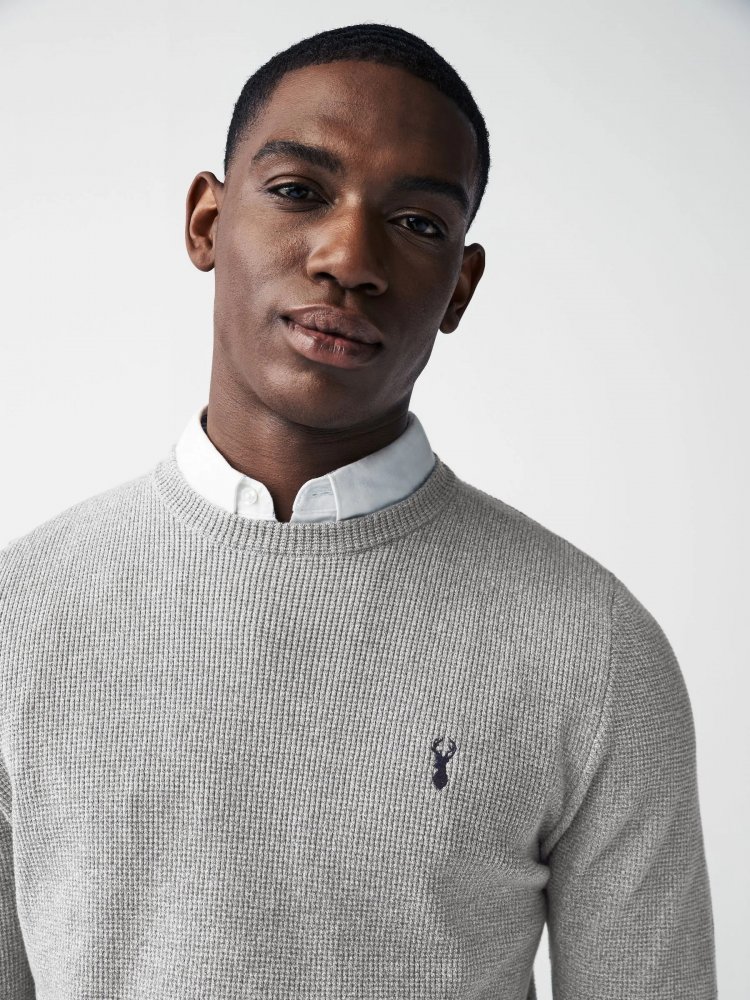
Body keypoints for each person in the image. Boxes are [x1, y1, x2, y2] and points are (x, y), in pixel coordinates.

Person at [0, 22, 717, 1000]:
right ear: (207, 221)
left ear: (460, 286)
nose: (349, 258)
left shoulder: (591, 646)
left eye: (417, 222)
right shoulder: (21, 616)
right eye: (299, 191)